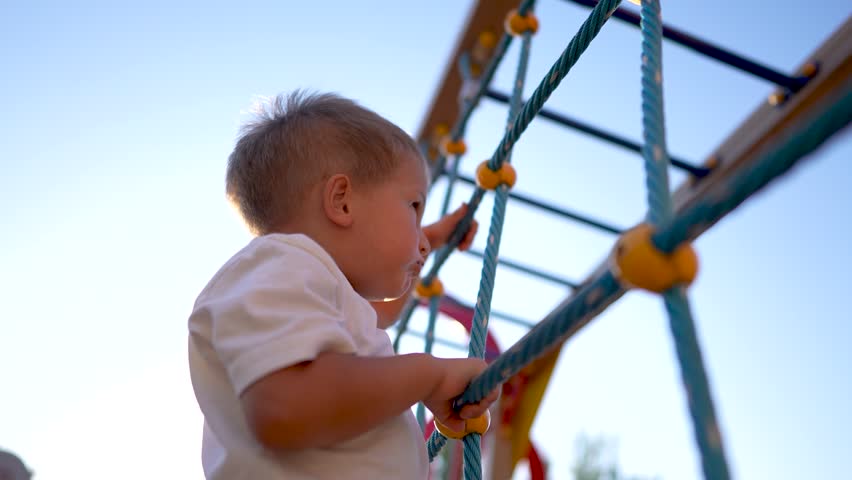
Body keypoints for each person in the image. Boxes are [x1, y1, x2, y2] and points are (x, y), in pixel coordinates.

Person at [188, 91, 499, 479]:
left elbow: (378, 316)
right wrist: (428, 376)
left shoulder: (305, 285)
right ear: (342, 201)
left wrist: (430, 239)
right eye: (414, 207)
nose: (418, 232)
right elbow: (286, 408)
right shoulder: (280, 265)